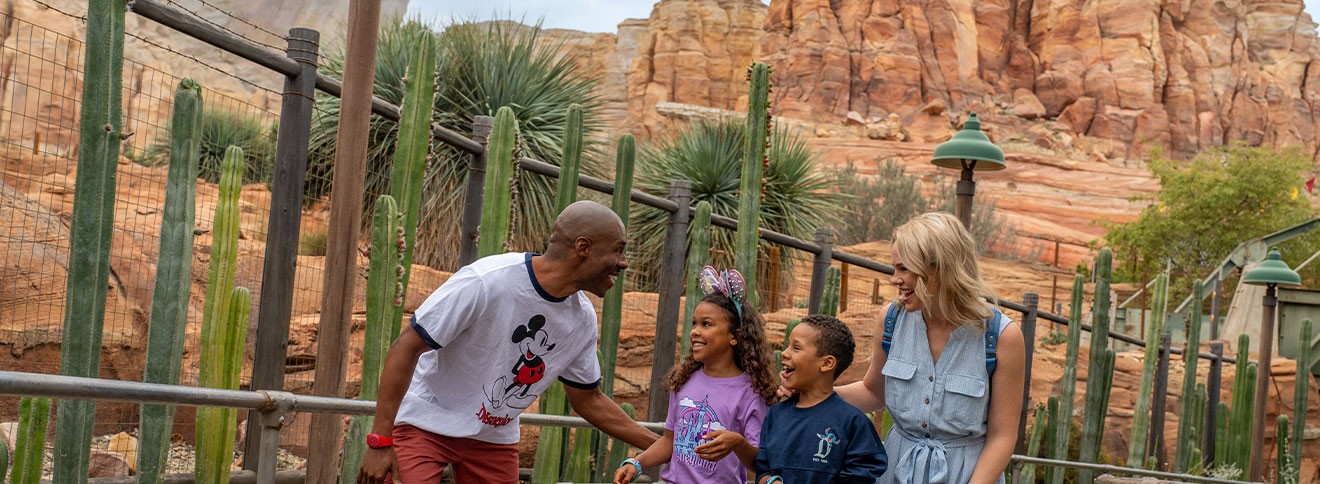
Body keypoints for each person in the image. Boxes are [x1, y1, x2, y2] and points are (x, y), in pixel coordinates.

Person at [357, 200, 659, 483]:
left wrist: (665, 447)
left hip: (493, 437)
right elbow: (406, 347)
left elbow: (588, 399)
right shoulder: (487, 281)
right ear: (583, 247)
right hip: (426, 422)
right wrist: (380, 440)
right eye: (618, 251)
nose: (623, 263)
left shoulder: (581, 318)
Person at [836, 211, 1026, 484]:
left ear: (940, 268)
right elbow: (874, 392)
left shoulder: (1002, 336)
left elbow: (1003, 435)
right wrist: (814, 392)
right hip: (895, 473)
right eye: (894, 268)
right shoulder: (891, 320)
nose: (894, 279)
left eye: (904, 269)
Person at [614, 267, 779, 484]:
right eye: (694, 323)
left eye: (706, 324)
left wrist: (738, 443)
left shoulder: (750, 393)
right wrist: (637, 463)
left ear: (734, 336)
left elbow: (758, 464)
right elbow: (669, 442)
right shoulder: (684, 380)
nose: (695, 331)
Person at [755, 314, 888, 483]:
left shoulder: (853, 422)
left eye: (796, 348)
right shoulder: (775, 415)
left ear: (826, 364)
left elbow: (862, 476)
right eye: (787, 346)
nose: (785, 353)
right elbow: (762, 468)